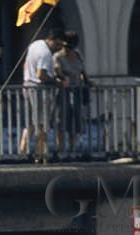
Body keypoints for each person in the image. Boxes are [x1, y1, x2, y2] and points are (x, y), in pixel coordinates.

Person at [19, 25, 65, 162]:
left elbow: (25, 64)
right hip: (39, 90)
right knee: (42, 124)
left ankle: (22, 152)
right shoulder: (45, 53)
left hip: (27, 85)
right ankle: (40, 155)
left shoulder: (35, 44)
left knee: (30, 124)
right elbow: (41, 75)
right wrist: (56, 82)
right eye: (58, 44)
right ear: (52, 39)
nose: (58, 48)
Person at [55, 31, 91, 160]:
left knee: (75, 122)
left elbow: (82, 71)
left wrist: (87, 81)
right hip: (63, 93)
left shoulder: (78, 55)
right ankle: (61, 150)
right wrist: (63, 78)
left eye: (70, 47)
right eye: (66, 47)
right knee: (62, 121)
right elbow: (57, 71)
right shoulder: (58, 57)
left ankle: (73, 149)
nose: (68, 50)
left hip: (77, 92)